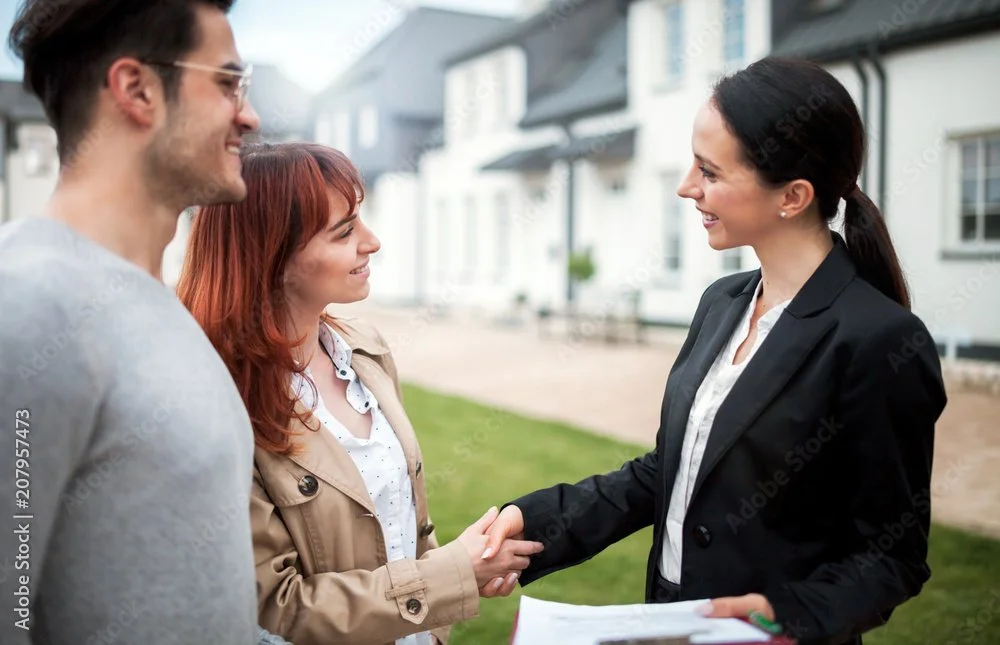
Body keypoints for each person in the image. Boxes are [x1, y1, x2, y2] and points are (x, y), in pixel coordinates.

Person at [480, 57, 948, 645]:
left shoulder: (878, 341)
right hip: (669, 622)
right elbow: (670, 473)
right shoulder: (722, 302)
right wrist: (537, 522)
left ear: (793, 196)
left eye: (709, 171)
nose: (686, 187)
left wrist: (785, 613)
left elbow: (891, 555)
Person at [0, 1, 290, 643]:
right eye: (226, 83)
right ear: (136, 90)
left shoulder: (162, 308)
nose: (250, 114)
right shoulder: (26, 304)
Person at [175, 140, 544, 645]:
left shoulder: (365, 352)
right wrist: (454, 575)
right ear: (274, 256)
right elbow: (278, 608)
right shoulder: (219, 401)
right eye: (345, 230)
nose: (372, 242)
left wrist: (457, 581)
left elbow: (410, 528)